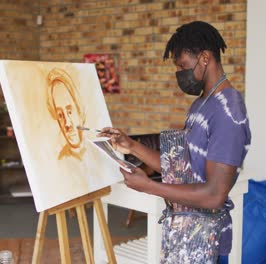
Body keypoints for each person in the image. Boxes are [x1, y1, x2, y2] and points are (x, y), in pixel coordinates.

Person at [99, 21, 251, 263]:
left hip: (207, 243)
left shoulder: (228, 112)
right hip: (184, 235)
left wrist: (149, 186)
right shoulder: (201, 104)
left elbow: (214, 195)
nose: (180, 74)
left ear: (204, 58)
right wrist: (130, 145)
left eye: (182, 65)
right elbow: (180, 169)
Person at [46, 67, 86, 160]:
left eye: (70, 112)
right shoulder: (59, 161)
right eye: (60, 115)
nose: (67, 124)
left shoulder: (97, 152)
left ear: (79, 109)